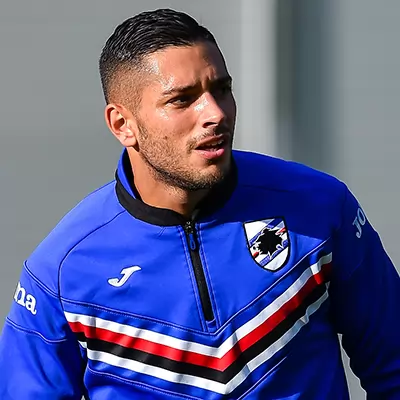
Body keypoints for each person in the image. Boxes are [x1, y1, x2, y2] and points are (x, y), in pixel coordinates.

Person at [0, 8, 399, 400]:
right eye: (182, 99)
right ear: (123, 125)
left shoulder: (319, 207)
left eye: (221, 89)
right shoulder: (61, 272)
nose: (215, 114)